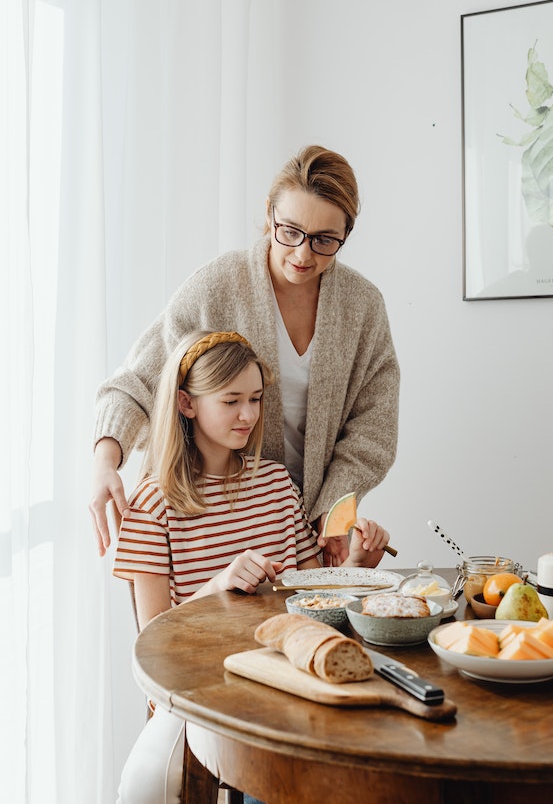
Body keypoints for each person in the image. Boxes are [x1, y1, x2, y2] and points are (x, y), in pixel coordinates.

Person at [114, 330, 391, 804]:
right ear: (186, 403)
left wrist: (361, 565)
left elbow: (315, 597)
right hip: (204, 686)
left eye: (256, 399)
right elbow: (153, 636)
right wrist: (220, 583)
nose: (249, 415)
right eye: (231, 401)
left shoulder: (275, 483)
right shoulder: (151, 503)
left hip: (287, 674)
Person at [90, 145, 400, 563]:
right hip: (200, 524)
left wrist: (330, 508)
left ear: (346, 234)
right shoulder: (215, 287)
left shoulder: (362, 306)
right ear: (269, 212)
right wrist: (105, 460)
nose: (303, 254)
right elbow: (139, 382)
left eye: (325, 240)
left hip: (296, 528)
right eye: (289, 230)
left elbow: (373, 426)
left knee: (300, 626)